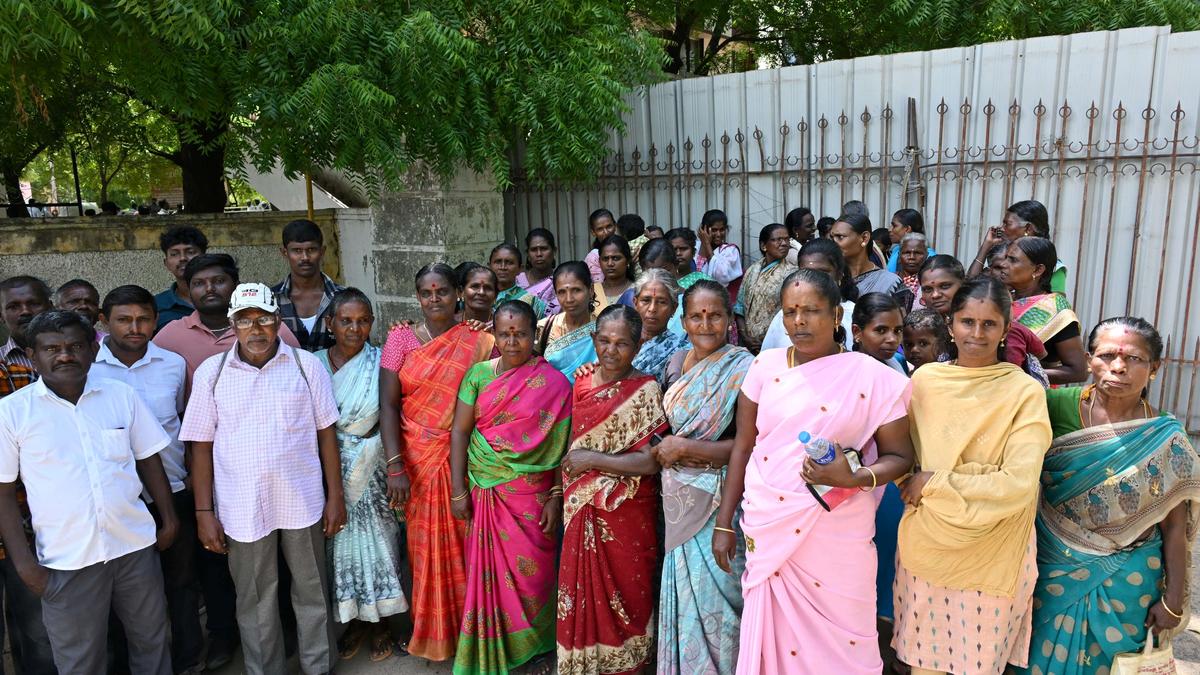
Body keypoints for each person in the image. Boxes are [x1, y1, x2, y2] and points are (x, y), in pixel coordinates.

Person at [714, 268, 915, 674]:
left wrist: (854, 478)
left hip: (840, 529)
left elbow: (900, 457)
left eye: (811, 311)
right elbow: (744, 445)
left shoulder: (873, 377)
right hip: (769, 521)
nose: (799, 322)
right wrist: (724, 522)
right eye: (790, 312)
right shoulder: (764, 367)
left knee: (845, 638)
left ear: (837, 315)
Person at [1017, 317, 1200, 675]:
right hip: (1051, 564)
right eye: (1107, 355)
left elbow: (1175, 526)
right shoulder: (1054, 408)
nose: (1118, 367)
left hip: (1129, 577)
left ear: (1154, 368)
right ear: (1088, 360)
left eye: (1134, 358)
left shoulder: (1165, 436)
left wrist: (1174, 599)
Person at [0, 310, 178, 674]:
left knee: (152, 642)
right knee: (80, 660)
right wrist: (23, 564)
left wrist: (170, 519)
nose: (65, 355)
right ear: (33, 356)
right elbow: (2, 492)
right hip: (66, 561)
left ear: (92, 351)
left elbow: (148, 461)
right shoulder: (11, 413)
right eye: (52, 349)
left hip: (134, 548)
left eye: (75, 346)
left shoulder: (121, 396)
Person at [181, 282, 345, 675]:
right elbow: (200, 446)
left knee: (311, 590)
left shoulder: (306, 367)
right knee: (255, 597)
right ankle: (264, 669)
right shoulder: (212, 373)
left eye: (264, 319)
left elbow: (326, 434)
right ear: (233, 325)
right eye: (245, 321)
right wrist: (204, 512)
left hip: (302, 500)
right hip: (241, 507)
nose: (256, 329)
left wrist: (334, 495)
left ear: (277, 322)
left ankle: (318, 666)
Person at [893, 276, 1053, 675]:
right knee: (923, 666)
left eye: (989, 324)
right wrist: (921, 480)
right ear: (951, 325)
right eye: (967, 322)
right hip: (928, 546)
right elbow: (902, 457)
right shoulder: (926, 382)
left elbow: (1018, 483)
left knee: (978, 665)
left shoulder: (1023, 392)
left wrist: (936, 482)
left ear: (1005, 330)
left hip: (995, 552)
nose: (976, 333)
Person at [379, 263, 496, 661]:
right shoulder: (400, 339)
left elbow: (494, 396)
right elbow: (388, 404)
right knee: (423, 550)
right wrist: (396, 465)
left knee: (468, 547)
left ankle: (471, 635)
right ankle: (433, 634)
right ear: (417, 297)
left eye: (442, 292)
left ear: (457, 294)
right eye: (426, 293)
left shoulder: (479, 340)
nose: (434, 300)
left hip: (465, 461)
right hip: (417, 461)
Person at [449, 300, 572, 675]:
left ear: (534, 334)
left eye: (521, 334)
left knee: (534, 579)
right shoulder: (478, 376)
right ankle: (492, 651)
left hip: (532, 499)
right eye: (504, 334)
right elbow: (459, 431)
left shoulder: (554, 383)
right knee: (487, 577)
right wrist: (458, 491)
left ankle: (535, 649)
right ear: (494, 335)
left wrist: (554, 498)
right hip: (484, 493)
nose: (513, 341)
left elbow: (560, 449)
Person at [91, 285, 200, 674]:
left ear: (156, 321)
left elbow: (187, 424)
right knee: (123, 598)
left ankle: (187, 661)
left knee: (182, 585)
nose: (134, 328)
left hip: (172, 491)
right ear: (104, 322)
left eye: (143, 319)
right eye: (123, 320)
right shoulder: (88, 369)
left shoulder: (172, 364)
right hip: (118, 502)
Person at [557, 305, 668, 674]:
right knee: (583, 590)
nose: (610, 350)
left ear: (637, 347)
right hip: (581, 511)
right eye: (603, 341)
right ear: (593, 340)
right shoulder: (582, 383)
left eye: (622, 343)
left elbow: (650, 461)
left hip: (628, 515)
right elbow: (572, 442)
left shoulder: (646, 389)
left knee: (630, 594)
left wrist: (592, 460)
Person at [656, 280, 753, 675]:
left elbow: (750, 445)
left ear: (729, 319)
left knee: (722, 599)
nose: (706, 323)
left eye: (715, 315)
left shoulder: (745, 368)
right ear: (684, 321)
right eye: (696, 316)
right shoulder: (676, 363)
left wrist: (684, 449)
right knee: (685, 593)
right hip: (677, 498)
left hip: (720, 500)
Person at [314, 289, 407, 662]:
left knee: (382, 543)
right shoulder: (312, 363)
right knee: (339, 549)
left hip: (373, 465)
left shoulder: (382, 360)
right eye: (346, 320)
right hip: (328, 468)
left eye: (363, 320)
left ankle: (382, 622)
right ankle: (355, 622)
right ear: (329, 323)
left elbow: (392, 411)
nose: (355, 328)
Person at [0, 282, 56, 675]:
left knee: (39, 632)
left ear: (48, 306)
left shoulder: (72, 362)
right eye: (13, 306)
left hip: (42, 522)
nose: (23, 311)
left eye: (32, 303)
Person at [155, 254, 301, 393]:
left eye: (219, 281)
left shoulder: (271, 329)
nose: (209, 288)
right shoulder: (171, 335)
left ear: (237, 286)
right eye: (198, 283)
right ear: (189, 291)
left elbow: (299, 374)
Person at [918, 254, 1049, 384]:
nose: (935, 295)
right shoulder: (926, 327)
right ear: (950, 327)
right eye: (928, 289)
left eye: (945, 286)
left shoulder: (1009, 335)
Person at [1000, 237, 1088, 384]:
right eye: (1005, 258)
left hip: (1029, 397)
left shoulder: (1055, 310)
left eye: (1013, 260)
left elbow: (1079, 371)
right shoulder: (1001, 300)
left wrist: (1023, 372)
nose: (1003, 264)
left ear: (1038, 269)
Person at [761, 238, 857, 351]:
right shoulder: (786, 316)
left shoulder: (854, 315)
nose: (814, 280)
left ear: (840, 275)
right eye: (806, 273)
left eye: (822, 273)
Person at [272, 219, 345, 352]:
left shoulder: (344, 298)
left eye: (311, 249)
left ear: (322, 251)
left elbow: (361, 351)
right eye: (297, 250)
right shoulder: (270, 300)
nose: (305, 257)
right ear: (284, 252)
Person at [969, 200, 1068, 292]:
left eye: (1007, 224)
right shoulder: (1002, 254)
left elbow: (1055, 306)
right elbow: (970, 288)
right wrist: (986, 245)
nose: (1001, 229)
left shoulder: (1055, 267)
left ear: (1028, 229)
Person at [734, 223, 797, 353]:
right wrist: (745, 336)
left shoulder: (792, 273)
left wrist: (766, 340)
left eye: (786, 239)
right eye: (778, 240)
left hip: (776, 344)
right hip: (747, 343)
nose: (784, 243)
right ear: (764, 246)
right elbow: (739, 308)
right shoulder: (752, 270)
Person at [536, 262, 598, 384]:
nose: (569, 299)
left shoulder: (604, 329)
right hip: (554, 400)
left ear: (590, 290)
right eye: (562, 292)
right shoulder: (543, 328)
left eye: (576, 290)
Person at [632, 269, 690, 385]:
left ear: (673, 308)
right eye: (646, 300)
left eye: (662, 302)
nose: (652, 308)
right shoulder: (619, 342)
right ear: (635, 303)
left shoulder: (681, 350)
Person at [830, 212, 904, 299]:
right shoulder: (829, 277)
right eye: (832, 237)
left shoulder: (888, 282)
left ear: (864, 238)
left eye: (840, 237)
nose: (833, 243)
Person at [155, 225, 209, 331]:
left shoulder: (224, 298)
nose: (183, 258)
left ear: (204, 257)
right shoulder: (157, 305)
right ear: (166, 263)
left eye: (190, 252)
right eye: (174, 254)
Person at [1, 276, 52, 371]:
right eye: (13, 307)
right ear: (1, 316)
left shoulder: (77, 352)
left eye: (34, 303)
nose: (25, 311)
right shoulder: (1, 363)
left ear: (50, 308)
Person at [852, 292, 907, 375]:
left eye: (898, 331)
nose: (892, 339)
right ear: (857, 332)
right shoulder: (848, 374)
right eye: (881, 330)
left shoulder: (899, 361)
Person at [491, 244, 547, 320]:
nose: (503, 267)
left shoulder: (533, 302)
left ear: (520, 269)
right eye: (498, 262)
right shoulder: (481, 297)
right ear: (489, 266)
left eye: (509, 262)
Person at [698, 209, 743, 302]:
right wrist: (704, 244)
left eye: (722, 230)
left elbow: (720, 276)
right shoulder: (695, 248)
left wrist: (707, 244)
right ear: (704, 230)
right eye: (714, 230)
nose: (718, 234)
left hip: (721, 302)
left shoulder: (730, 251)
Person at [517, 228, 561, 316]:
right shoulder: (517, 281)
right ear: (528, 254)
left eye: (544, 249)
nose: (539, 254)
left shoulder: (560, 282)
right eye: (533, 250)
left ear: (554, 251)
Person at [594, 234, 636, 313]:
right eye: (605, 259)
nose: (610, 263)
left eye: (616, 258)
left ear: (628, 260)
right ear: (599, 261)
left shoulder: (637, 291)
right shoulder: (592, 292)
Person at [886, 209, 934, 274]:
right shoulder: (896, 250)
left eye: (894, 226)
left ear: (907, 229)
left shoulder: (930, 256)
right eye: (906, 253)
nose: (889, 229)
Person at [896, 232, 930, 310]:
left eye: (917, 253)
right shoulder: (890, 281)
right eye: (907, 253)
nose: (912, 257)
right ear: (899, 255)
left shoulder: (930, 283)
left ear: (926, 255)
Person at [584, 209, 618, 282]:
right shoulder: (593, 257)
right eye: (600, 229)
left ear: (615, 226)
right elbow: (598, 286)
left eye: (609, 226)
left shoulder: (626, 248)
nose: (606, 232)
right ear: (593, 232)